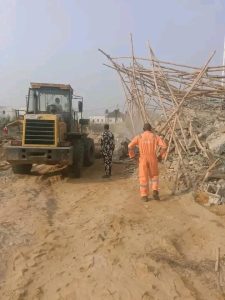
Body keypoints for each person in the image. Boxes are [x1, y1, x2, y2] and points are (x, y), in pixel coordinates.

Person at [128, 123, 167, 202]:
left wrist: (132, 156)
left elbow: (130, 146)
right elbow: (164, 147)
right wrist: (160, 156)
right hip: (153, 158)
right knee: (154, 176)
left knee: (143, 177)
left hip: (143, 159)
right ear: (151, 129)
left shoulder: (139, 137)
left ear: (143, 129)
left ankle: (144, 196)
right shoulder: (155, 136)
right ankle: (155, 190)